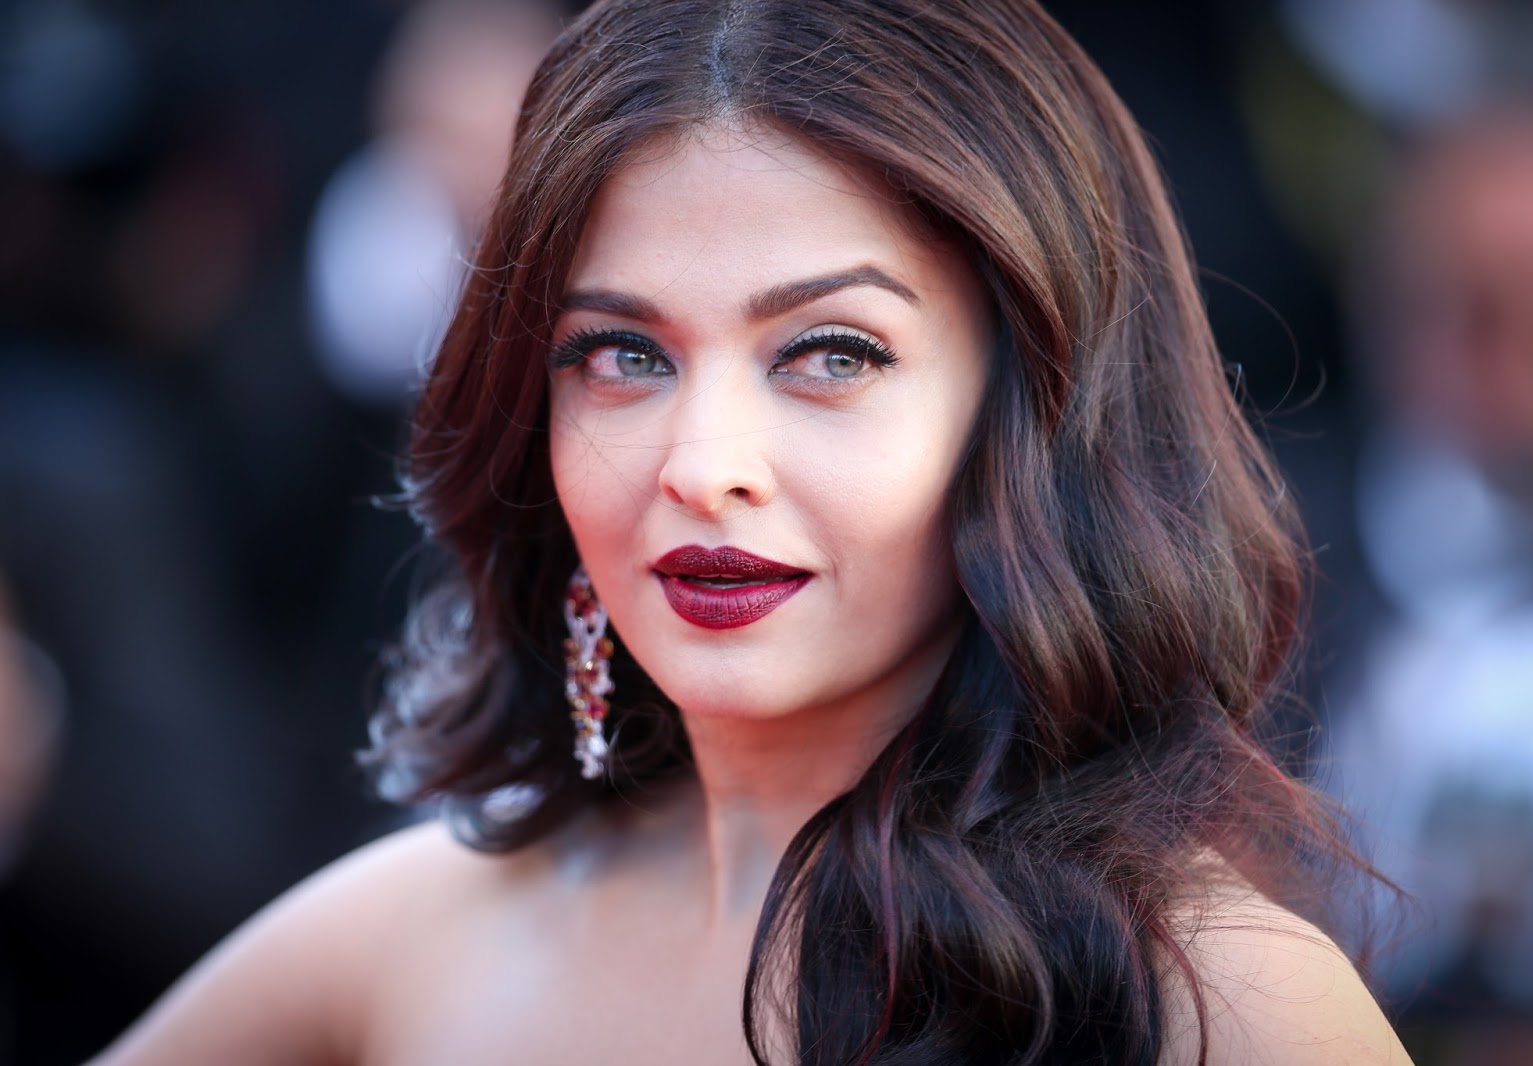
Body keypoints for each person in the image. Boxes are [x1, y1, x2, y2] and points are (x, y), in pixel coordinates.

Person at [93, 1, 1412, 1062]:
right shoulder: (415, 932)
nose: (703, 466)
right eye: (619, 354)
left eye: (830, 353)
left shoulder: (1214, 1000)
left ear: (1033, 412)